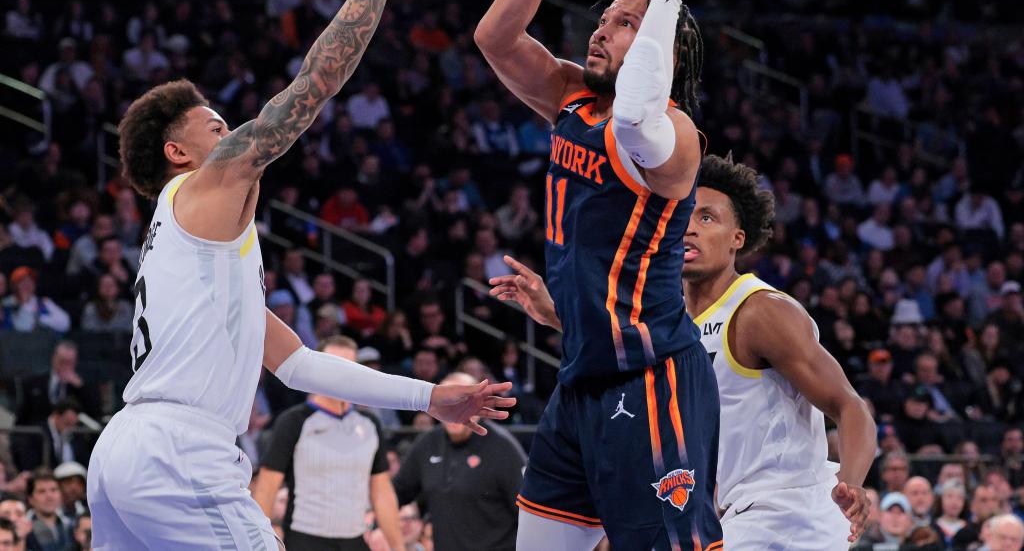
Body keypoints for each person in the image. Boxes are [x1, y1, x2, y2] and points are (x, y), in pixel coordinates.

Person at [85, 0, 515, 550]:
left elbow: (300, 365)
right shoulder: (203, 189)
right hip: (177, 452)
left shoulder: (194, 260)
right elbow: (314, 84)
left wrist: (430, 396)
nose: (232, 133)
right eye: (216, 126)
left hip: (124, 456)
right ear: (177, 152)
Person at [474, 0, 722, 550]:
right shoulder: (571, 96)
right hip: (580, 375)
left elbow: (640, 108)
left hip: (651, 378)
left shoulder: (672, 137)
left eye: (626, 26)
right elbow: (494, 38)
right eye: (605, 20)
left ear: (662, 47)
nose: (601, 32)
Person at [492, 154, 876, 548]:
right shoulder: (669, 318)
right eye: (685, 216)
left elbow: (850, 406)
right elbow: (626, 342)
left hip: (789, 513)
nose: (690, 228)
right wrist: (555, 314)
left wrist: (852, 485)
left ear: (737, 239)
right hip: (736, 515)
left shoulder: (761, 311)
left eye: (707, 218)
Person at [252, 336, 403, 551]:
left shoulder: (370, 424)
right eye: (334, 365)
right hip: (305, 540)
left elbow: (382, 494)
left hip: (356, 540)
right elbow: (267, 488)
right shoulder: (294, 421)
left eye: (350, 366)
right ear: (318, 369)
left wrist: (398, 547)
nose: (342, 373)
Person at [393, 372, 527, 551]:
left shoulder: (503, 447)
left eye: (463, 401)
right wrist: (376, 521)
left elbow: (526, 513)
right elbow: (397, 493)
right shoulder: (427, 444)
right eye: (447, 402)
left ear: (479, 403)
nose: (454, 409)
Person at [26, 469, 74, 551]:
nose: (49, 496)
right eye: (42, 491)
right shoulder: (24, 529)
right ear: (30, 499)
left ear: (60, 494)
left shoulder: (72, 524)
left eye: (53, 490)